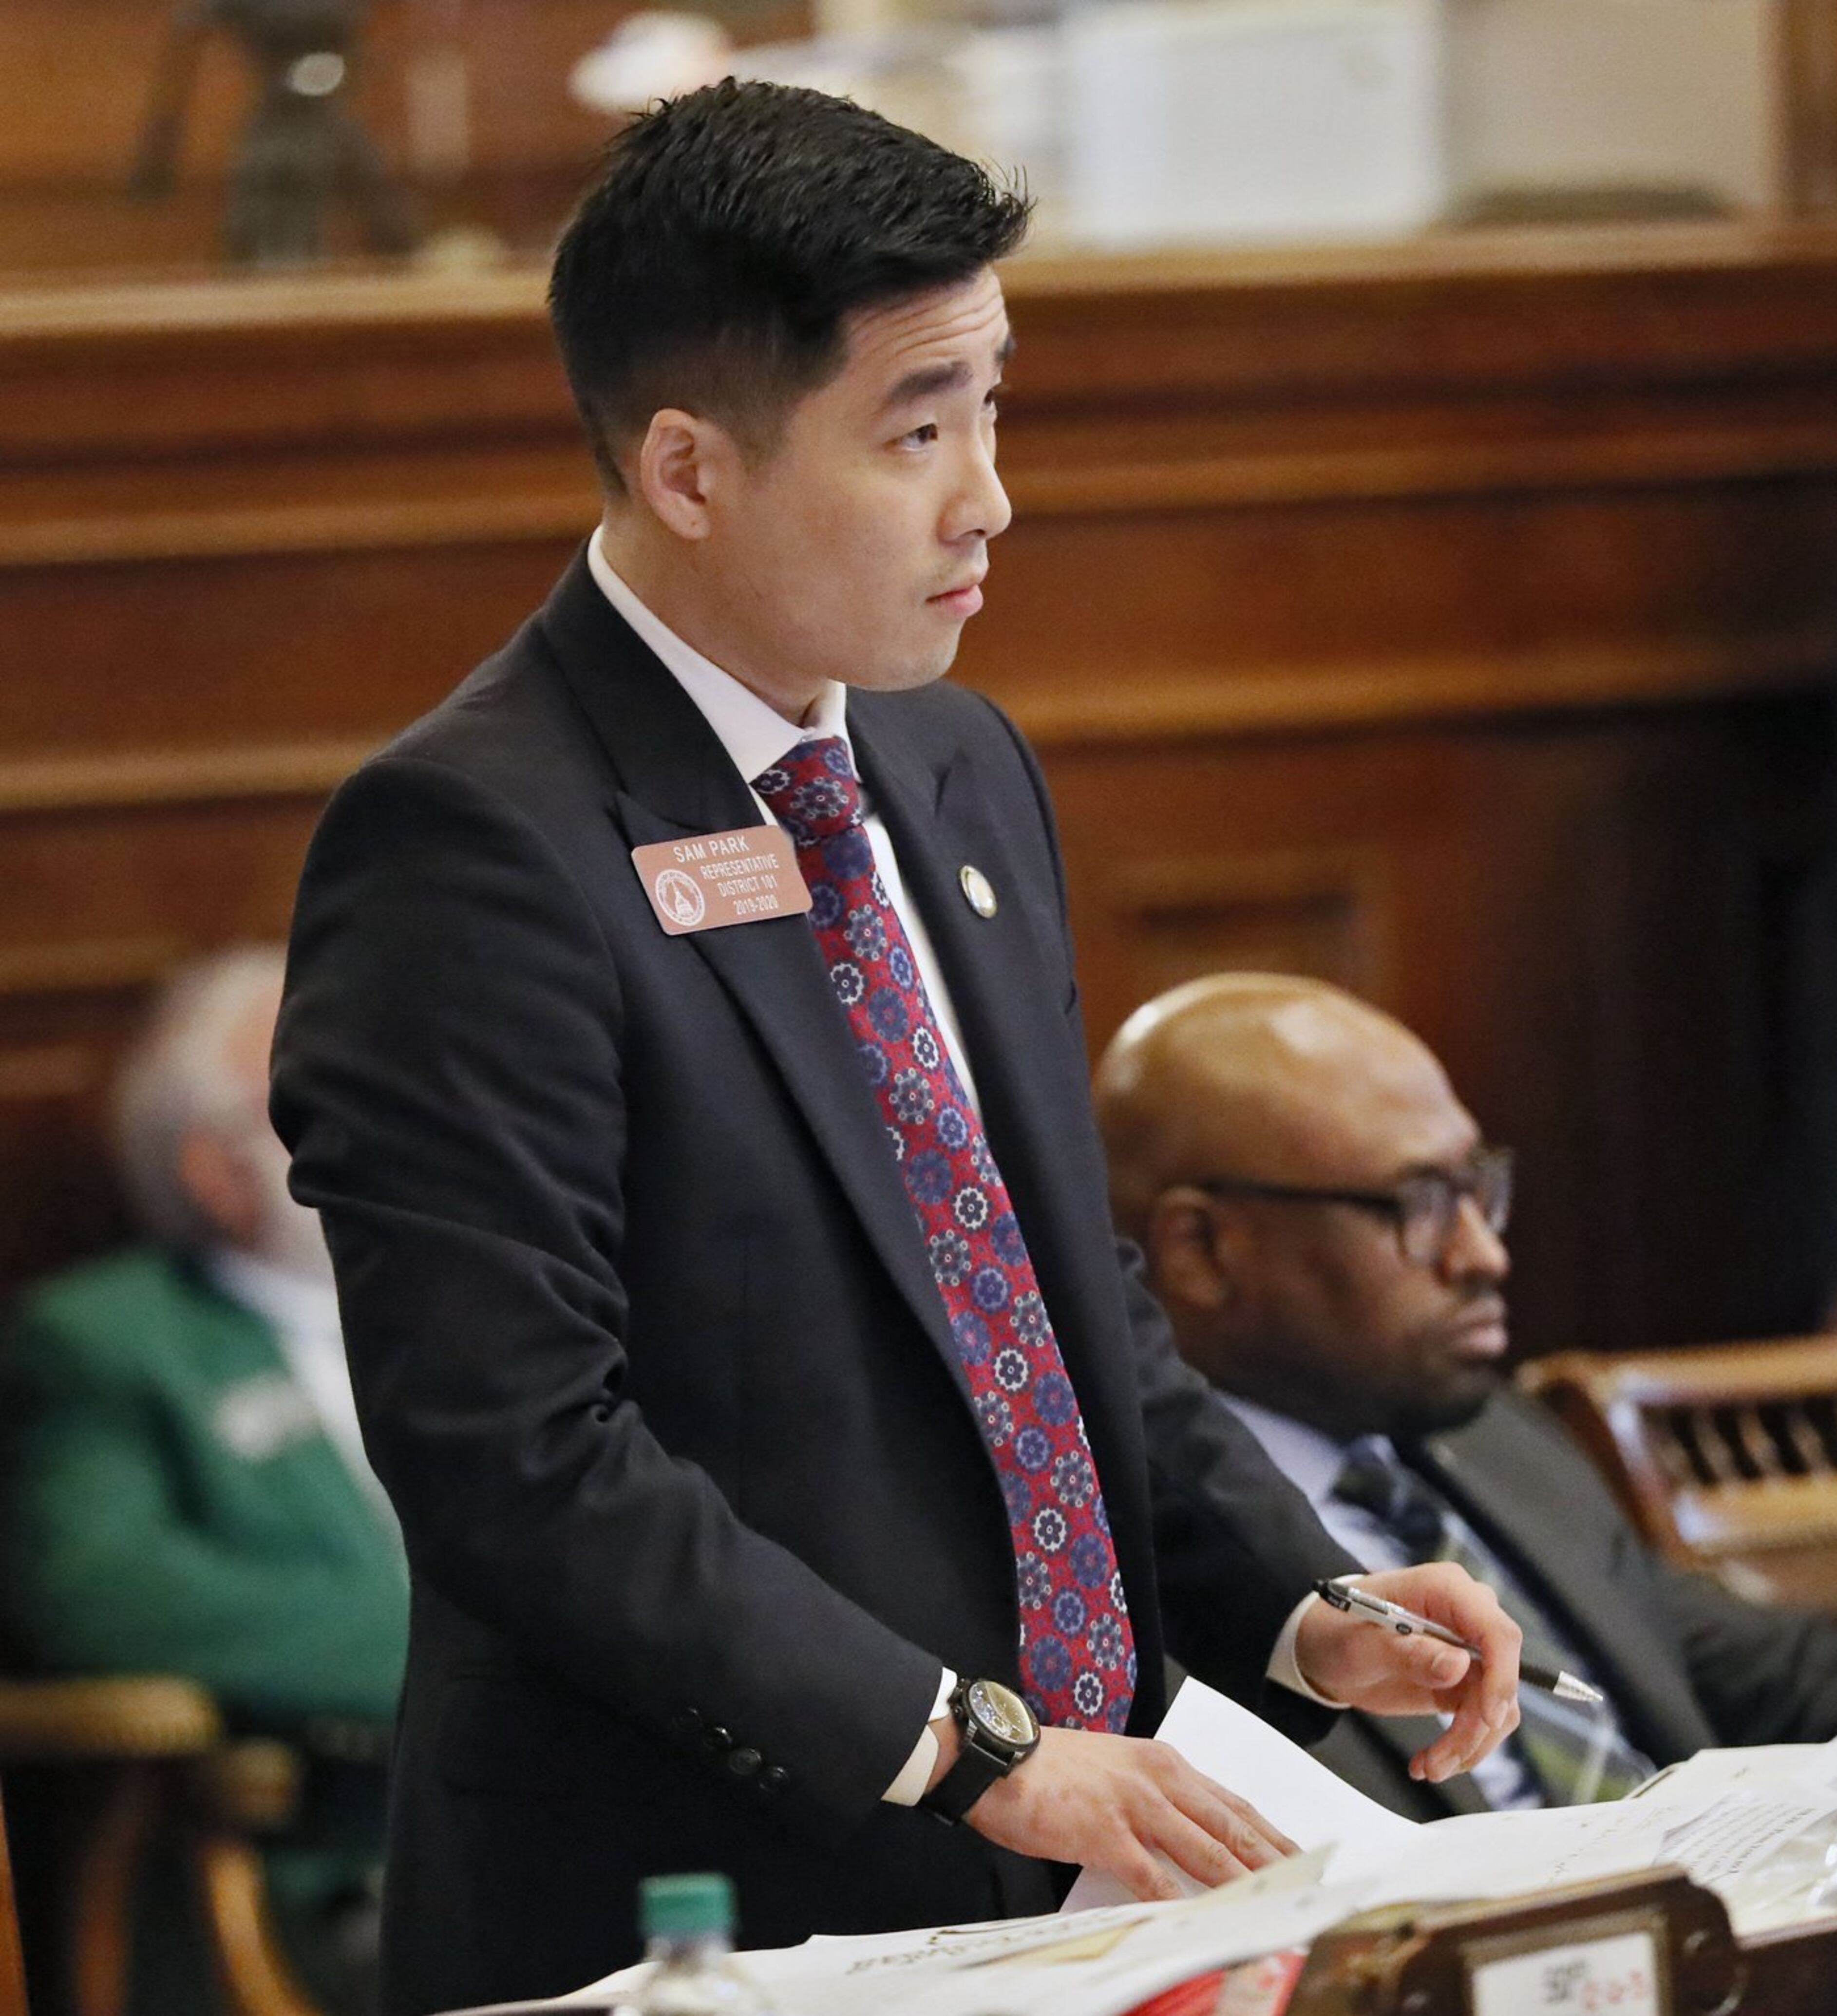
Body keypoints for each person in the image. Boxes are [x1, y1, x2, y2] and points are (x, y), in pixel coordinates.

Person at [269, 81, 1524, 2016]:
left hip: (1093, 1880)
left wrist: (1301, 1604)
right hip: (706, 1909)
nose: (989, 497)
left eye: (994, 406)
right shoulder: (472, 846)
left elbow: (1042, 1295)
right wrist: (976, 1749)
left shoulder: (951, 764)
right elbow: (516, 1454)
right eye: (917, 428)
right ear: (689, 471)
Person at [1094, 972, 1837, 1822]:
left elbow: (1792, 1684)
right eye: (1421, 1204)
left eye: (1478, 1190)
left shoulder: (1496, 1439)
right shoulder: (1137, 1581)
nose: (1483, 1255)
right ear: (1203, 1248)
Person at [0, 947, 408, 2016]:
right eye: (334, 1093)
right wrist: (468, 1640)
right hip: (338, 1862)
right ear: (214, 1171)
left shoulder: (494, 1305)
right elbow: (101, 1594)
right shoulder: (108, 1344)